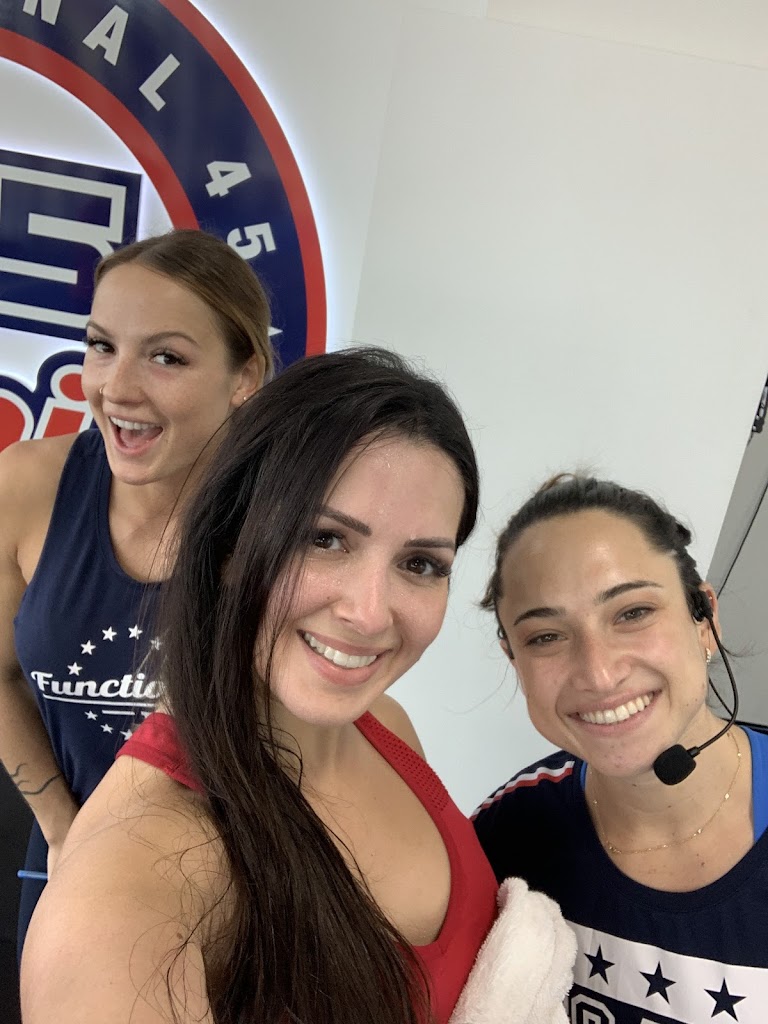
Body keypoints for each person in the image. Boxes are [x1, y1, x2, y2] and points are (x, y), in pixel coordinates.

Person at [20, 348, 575, 1024]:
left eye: (420, 564)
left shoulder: (387, 725)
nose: (369, 613)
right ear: (230, 546)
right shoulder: (131, 881)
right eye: (325, 539)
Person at [0, 228, 272, 951]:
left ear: (244, 376)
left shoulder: (286, 523)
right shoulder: (26, 485)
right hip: (68, 856)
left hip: (230, 880)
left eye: (166, 357)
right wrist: (65, 830)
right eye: (101, 346)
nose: (116, 387)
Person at [473, 474, 768, 1023]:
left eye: (632, 613)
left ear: (704, 619)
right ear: (514, 659)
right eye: (545, 636)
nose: (599, 674)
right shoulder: (506, 831)